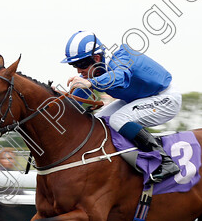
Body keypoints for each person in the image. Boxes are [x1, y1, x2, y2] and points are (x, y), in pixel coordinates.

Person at [63, 30, 181, 183]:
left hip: (165, 98)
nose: (79, 70)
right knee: (96, 122)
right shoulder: (93, 72)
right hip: (140, 99)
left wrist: (91, 83)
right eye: (74, 65)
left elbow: (120, 77)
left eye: (81, 64)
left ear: (97, 58)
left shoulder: (121, 57)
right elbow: (72, 103)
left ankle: (165, 161)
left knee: (118, 119)